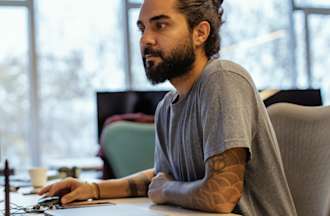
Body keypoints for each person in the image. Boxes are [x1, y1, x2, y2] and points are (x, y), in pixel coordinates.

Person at [39, 0, 298, 215]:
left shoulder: (222, 78)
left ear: (200, 33)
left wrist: (166, 190)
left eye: (160, 25)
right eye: (142, 29)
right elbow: (163, 178)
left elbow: (220, 195)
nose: (146, 40)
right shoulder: (167, 107)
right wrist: (92, 189)